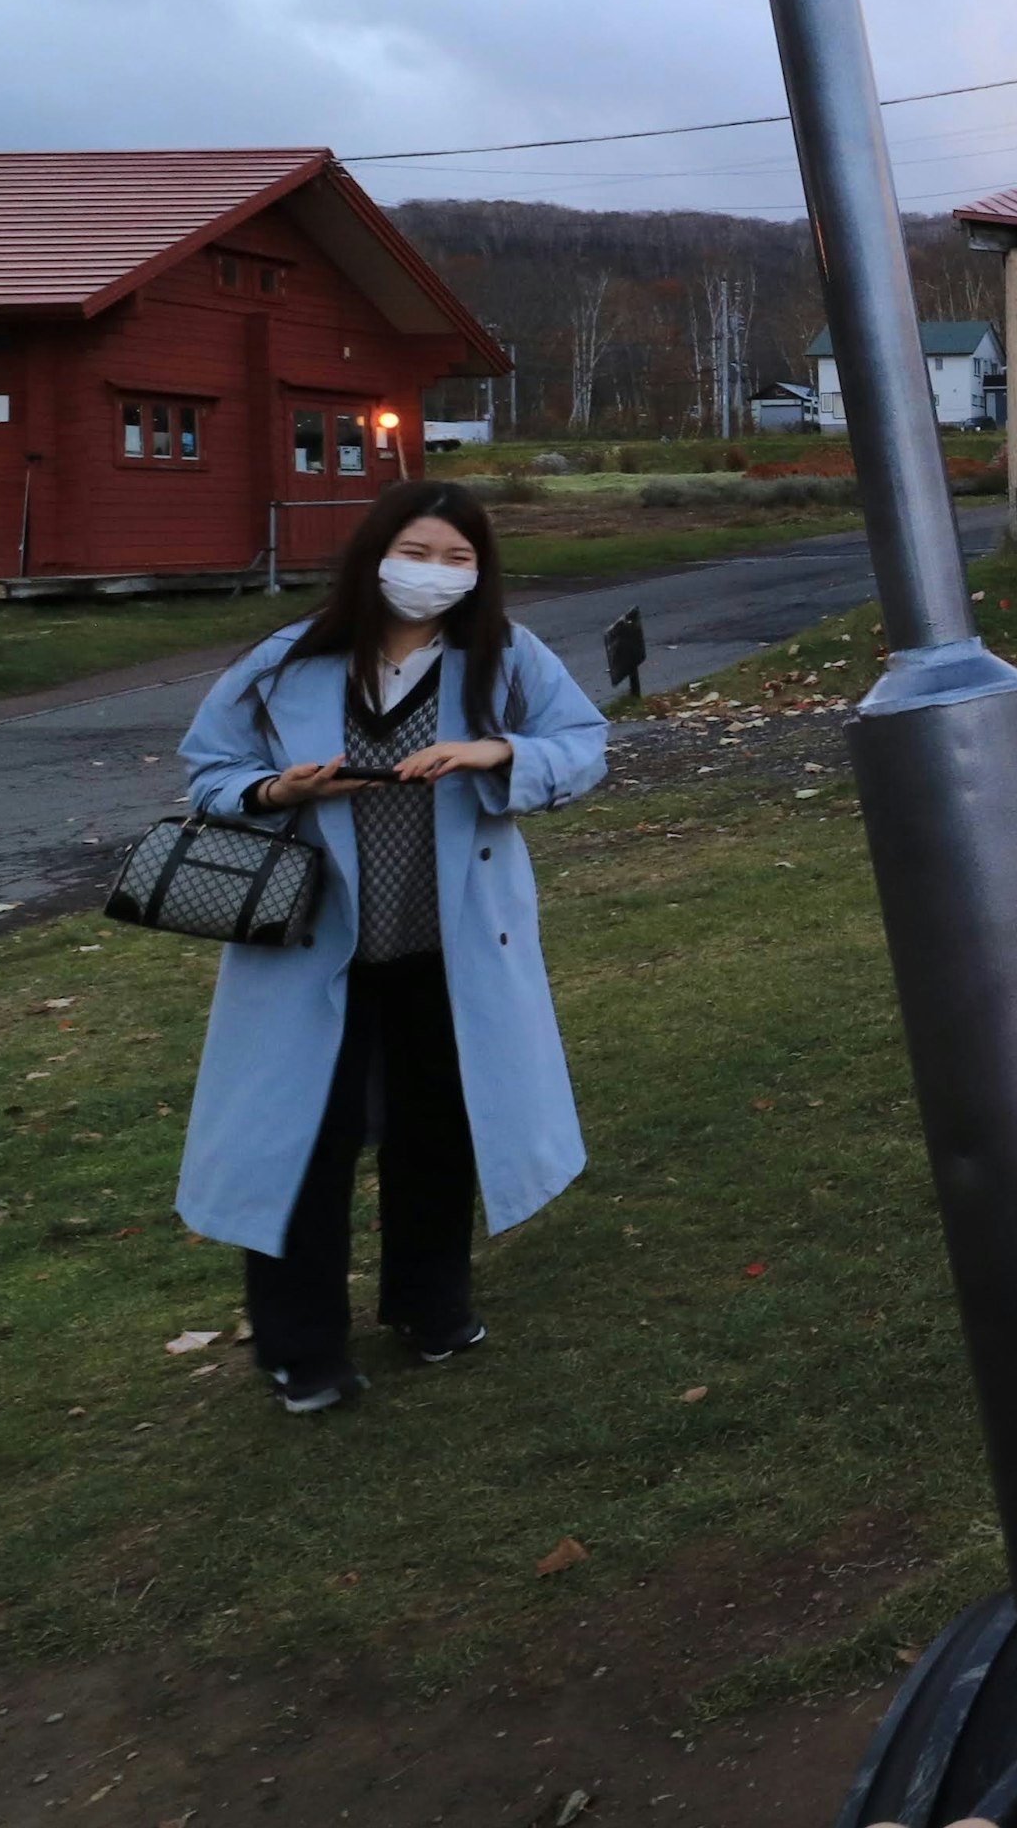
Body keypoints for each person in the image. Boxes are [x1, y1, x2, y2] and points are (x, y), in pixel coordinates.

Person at [173, 479, 609, 1412]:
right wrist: (276, 792)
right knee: (303, 1140)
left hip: (447, 949)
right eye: (419, 552)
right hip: (308, 947)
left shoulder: (503, 658)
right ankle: (301, 1347)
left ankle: (431, 1304)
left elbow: (584, 745)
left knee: (439, 1128)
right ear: (375, 555)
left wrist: (500, 754)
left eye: (459, 558)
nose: (436, 574)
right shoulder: (288, 661)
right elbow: (210, 769)